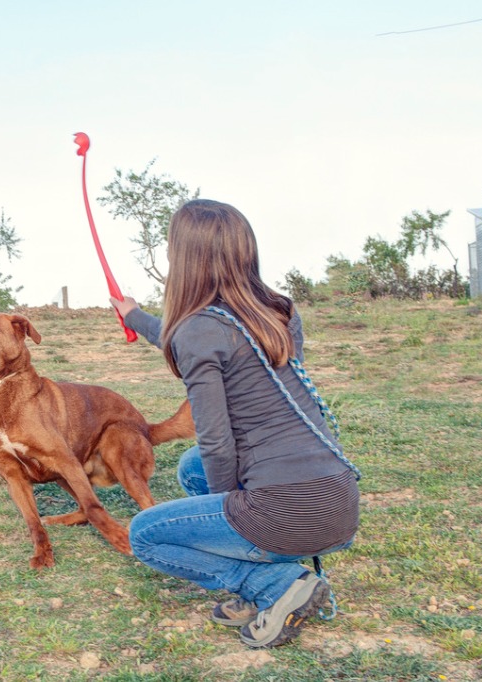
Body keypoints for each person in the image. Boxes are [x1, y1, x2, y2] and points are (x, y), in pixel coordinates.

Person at [109, 199, 360, 649]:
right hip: (337, 502)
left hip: (286, 512)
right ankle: (271, 561)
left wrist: (232, 506)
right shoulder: (279, 311)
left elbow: (218, 442)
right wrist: (134, 316)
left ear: (184, 258)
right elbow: (193, 337)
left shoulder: (196, 331)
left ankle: (273, 584)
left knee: (144, 534)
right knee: (191, 466)